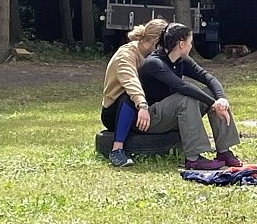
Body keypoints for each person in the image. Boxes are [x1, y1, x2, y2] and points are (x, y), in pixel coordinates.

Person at [139, 22, 244, 172]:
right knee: (186, 98)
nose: (191, 45)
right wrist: (212, 103)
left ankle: (224, 151)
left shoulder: (182, 60)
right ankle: (193, 159)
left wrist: (220, 99)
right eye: (190, 42)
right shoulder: (154, 63)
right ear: (182, 44)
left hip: (174, 114)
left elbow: (208, 78)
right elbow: (182, 86)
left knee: (211, 93)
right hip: (152, 118)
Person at [99, 17, 169, 167]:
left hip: (142, 107)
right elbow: (130, 81)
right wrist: (142, 105)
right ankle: (117, 150)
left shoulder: (154, 56)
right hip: (115, 111)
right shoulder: (126, 55)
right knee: (129, 96)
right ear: (155, 41)